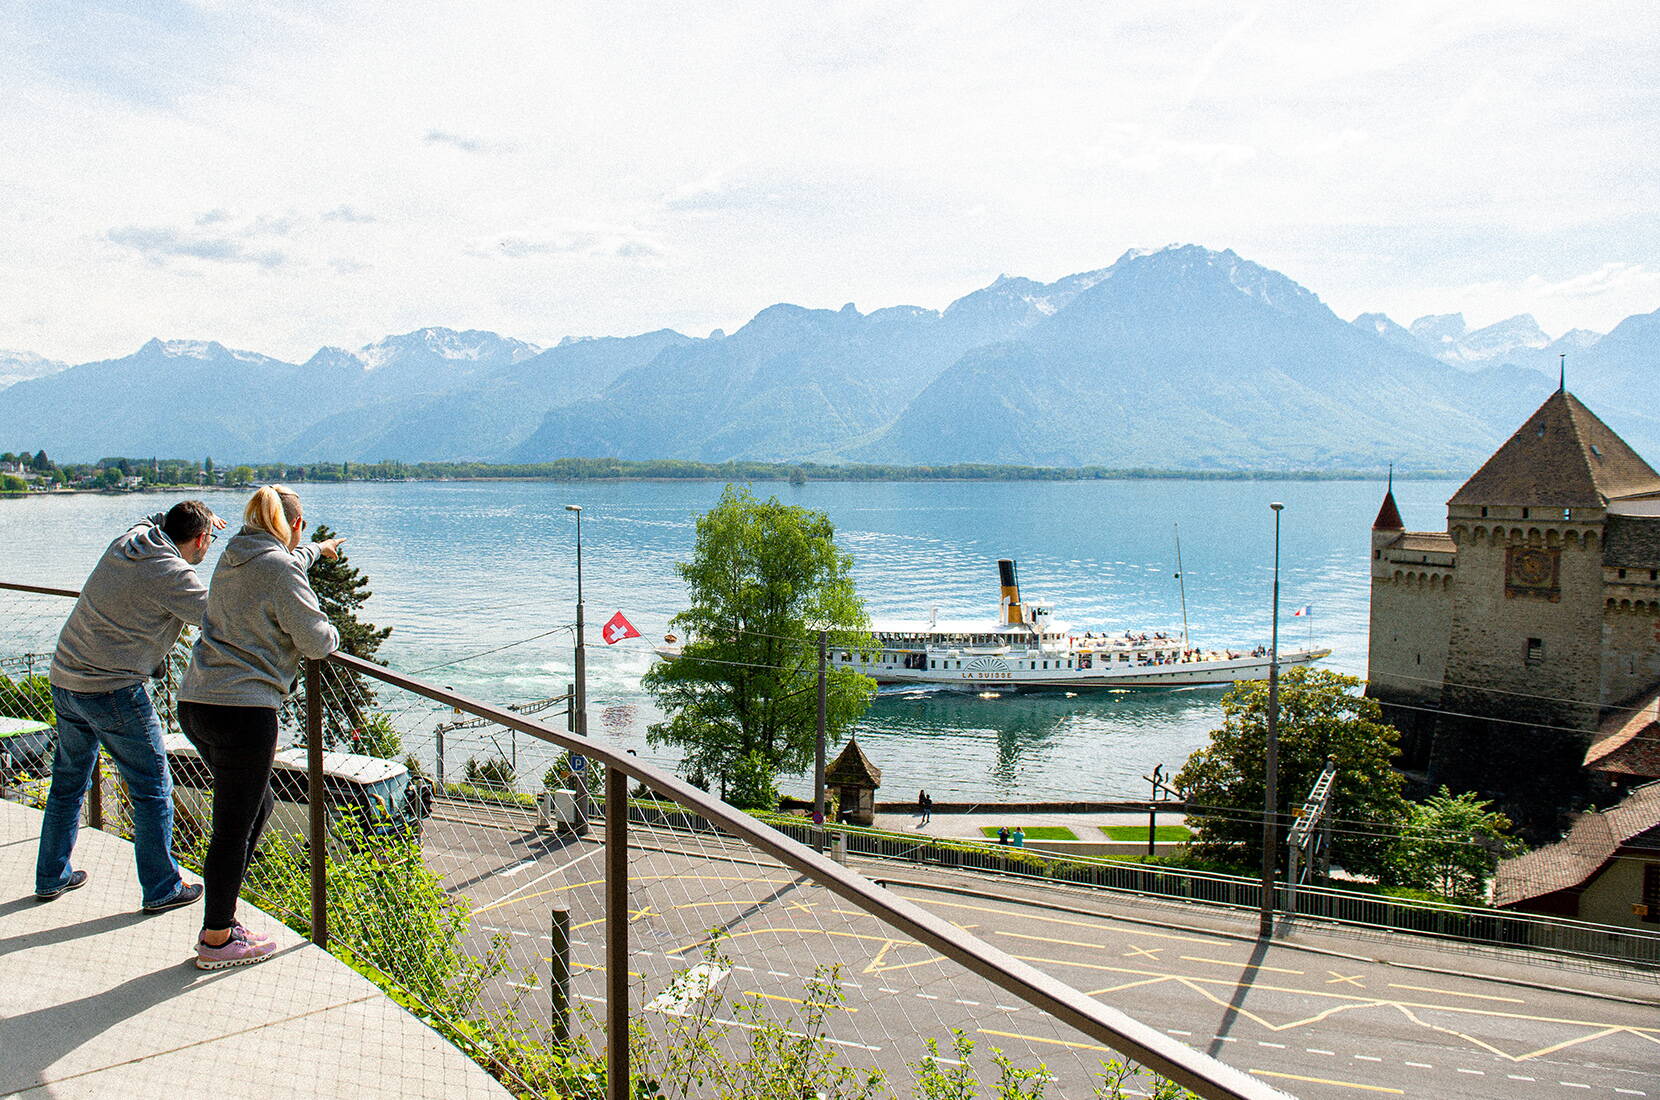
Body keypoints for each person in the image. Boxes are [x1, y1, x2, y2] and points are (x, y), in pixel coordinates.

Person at [178, 486, 344, 970]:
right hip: (244, 712)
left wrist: (319, 551)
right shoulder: (279, 567)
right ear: (291, 525)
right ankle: (217, 939)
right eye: (304, 526)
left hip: (197, 702)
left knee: (259, 805)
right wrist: (331, 630)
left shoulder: (234, 554)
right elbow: (316, 642)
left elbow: (291, 559)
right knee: (232, 828)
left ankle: (223, 918)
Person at [35, 501, 224, 910]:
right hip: (112, 689)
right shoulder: (174, 576)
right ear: (200, 540)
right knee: (152, 789)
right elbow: (224, 618)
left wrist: (202, 521)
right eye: (210, 539)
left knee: (68, 782)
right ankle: (162, 888)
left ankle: (52, 874)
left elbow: (157, 518)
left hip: (66, 676)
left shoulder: (132, 540)